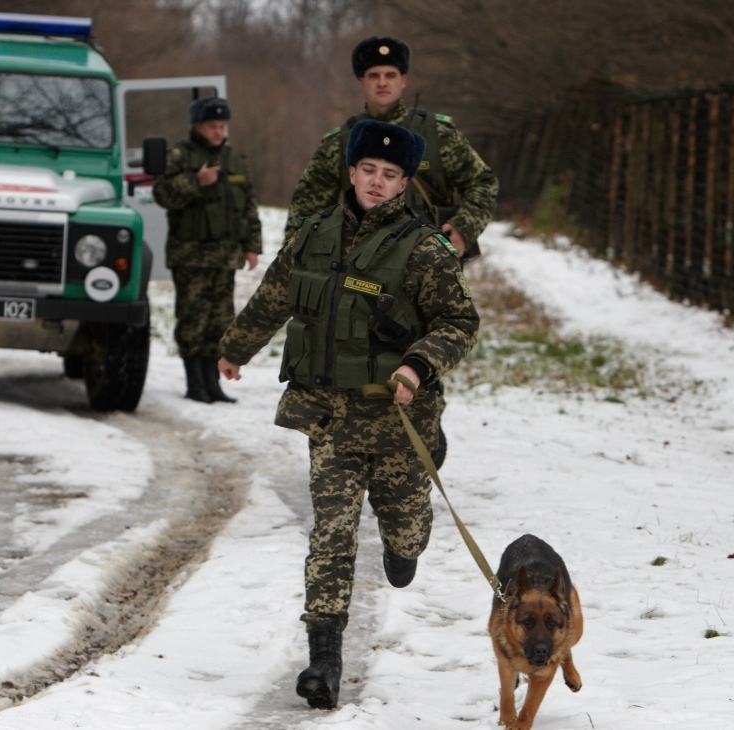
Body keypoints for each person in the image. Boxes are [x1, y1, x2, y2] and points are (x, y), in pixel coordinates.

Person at [218, 120, 479, 710]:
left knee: (405, 526)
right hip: (330, 417)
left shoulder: (424, 249)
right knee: (331, 534)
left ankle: (404, 546)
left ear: (406, 183)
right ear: (352, 171)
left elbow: (460, 322)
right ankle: (324, 661)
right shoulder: (315, 233)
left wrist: (416, 366)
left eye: (390, 175)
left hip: (397, 421)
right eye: (368, 170)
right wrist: (236, 347)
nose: (377, 183)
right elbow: (275, 295)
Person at [284, 36, 498, 466]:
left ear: (404, 80)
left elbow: (483, 183)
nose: (382, 83)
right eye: (373, 76)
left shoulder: (437, 134)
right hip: (357, 280)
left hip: (421, 277)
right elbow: (305, 207)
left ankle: (420, 453)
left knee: (423, 364)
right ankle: (352, 465)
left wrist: (461, 229)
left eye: (391, 75)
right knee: (356, 369)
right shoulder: (343, 141)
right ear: (362, 82)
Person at [153, 96, 262, 403]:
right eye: (212, 126)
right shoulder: (180, 155)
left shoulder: (234, 160)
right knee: (192, 321)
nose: (218, 132)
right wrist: (195, 181)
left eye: (222, 126)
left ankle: (213, 384)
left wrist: (251, 246)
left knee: (220, 321)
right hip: (191, 256)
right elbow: (162, 193)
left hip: (225, 256)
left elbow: (248, 207)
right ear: (197, 126)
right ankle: (195, 384)